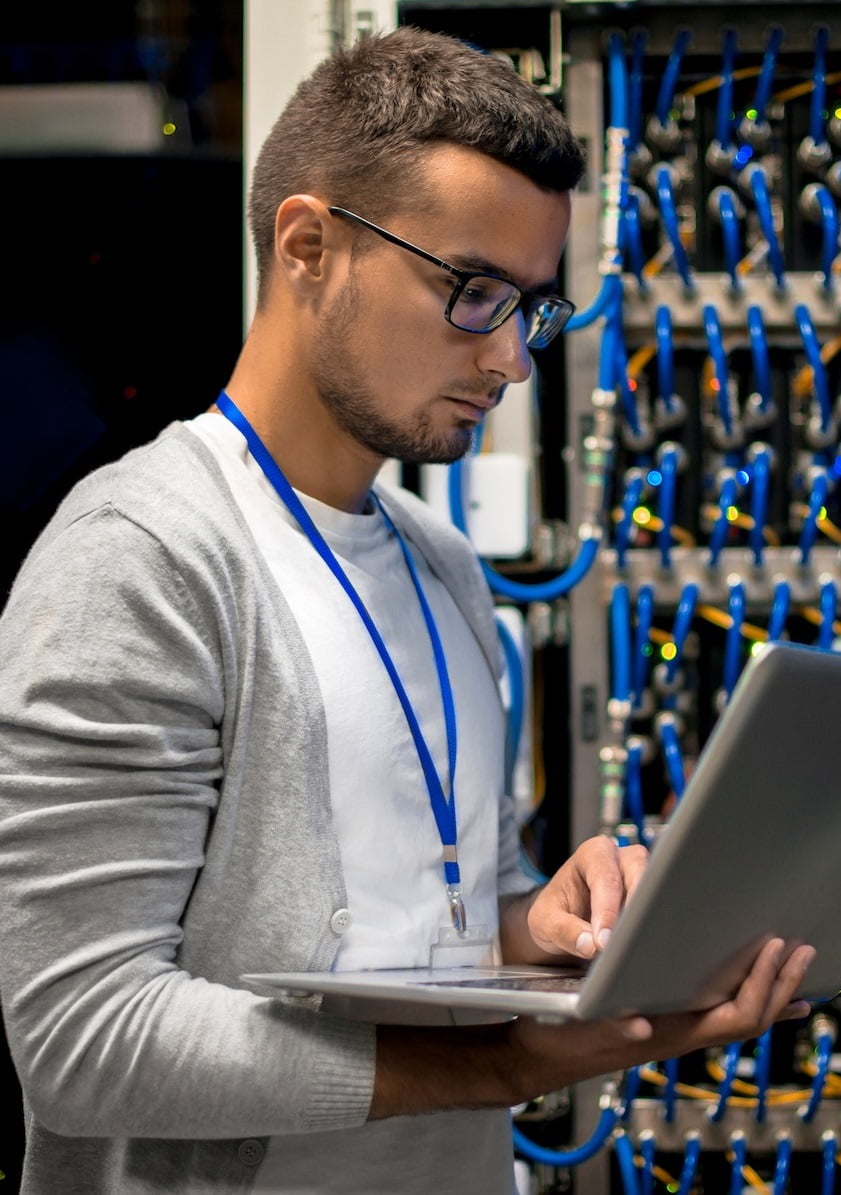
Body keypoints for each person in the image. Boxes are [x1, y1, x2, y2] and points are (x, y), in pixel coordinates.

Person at [0, 25, 814, 1195]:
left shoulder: (439, 562)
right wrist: (491, 1068)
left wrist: (548, 925)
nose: (511, 361)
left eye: (529, 306)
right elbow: (84, 1038)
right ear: (309, 246)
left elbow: (450, 919)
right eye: (472, 291)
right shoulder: (143, 557)